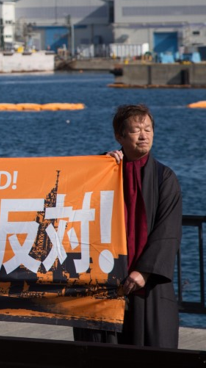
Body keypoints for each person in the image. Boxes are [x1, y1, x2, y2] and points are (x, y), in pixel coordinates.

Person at [74, 104, 182, 348]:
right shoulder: (104, 170)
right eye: (135, 130)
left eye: (148, 129)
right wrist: (101, 165)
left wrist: (144, 272)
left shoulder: (165, 178)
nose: (144, 135)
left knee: (152, 352)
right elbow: (77, 202)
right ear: (119, 136)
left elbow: (168, 231)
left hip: (148, 285)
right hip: (105, 284)